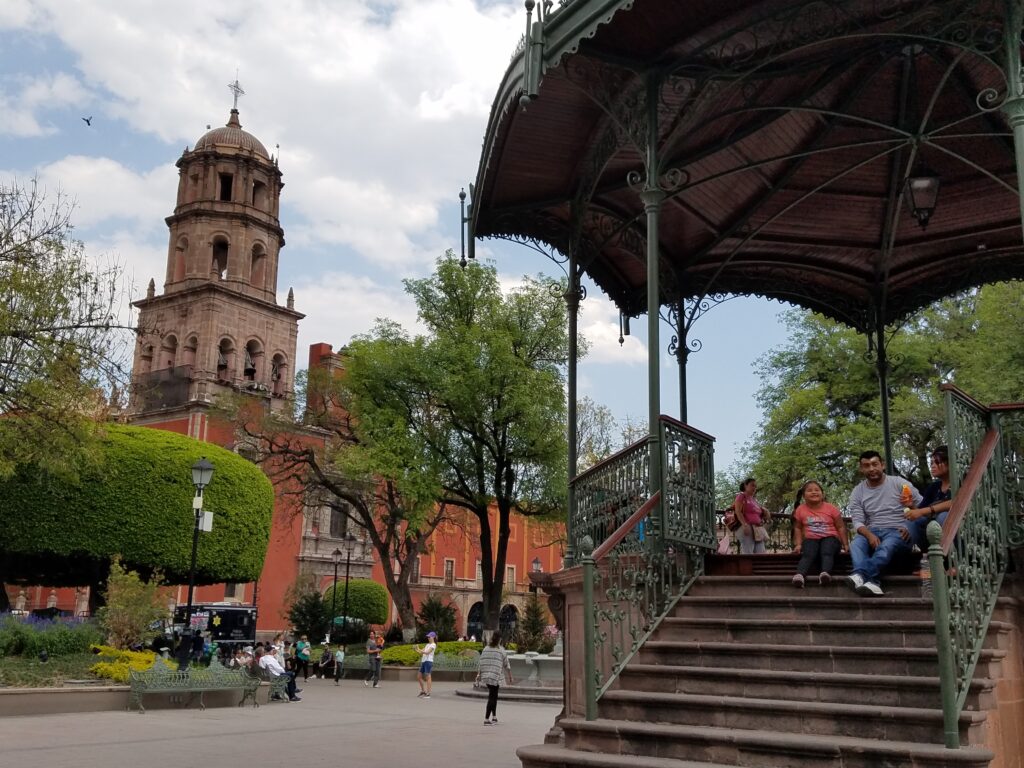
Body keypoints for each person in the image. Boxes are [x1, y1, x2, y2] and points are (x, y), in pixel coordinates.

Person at [847, 450, 922, 597]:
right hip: (872, 530)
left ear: (882, 465)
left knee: (887, 545)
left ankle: (860, 575)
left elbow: (923, 510)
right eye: (866, 466)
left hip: (898, 530)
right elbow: (857, 520)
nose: (871, 469)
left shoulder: (899, 483)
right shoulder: (858, 491)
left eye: (875, 464)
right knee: (856, 544)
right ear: (861, 469)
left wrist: (910, 519)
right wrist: (869, 535)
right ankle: (873, 582)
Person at [791, 480, 849, 587]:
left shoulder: (831, 508)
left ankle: (825, 574)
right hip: (811, 538)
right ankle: (799, 575)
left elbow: (840, 527)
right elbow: (798, 528)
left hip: (830, 537)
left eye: (817, 490)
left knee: (826, 550)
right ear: (804, 496)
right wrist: (798, 544)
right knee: (808, 553)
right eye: (810, 491)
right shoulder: (800, 509)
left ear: (822, 494)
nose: (814, 492)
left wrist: (845, 545)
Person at [904, 445, 954, 550]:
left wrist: (925, 511)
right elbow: (921, 513)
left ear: (949, 463)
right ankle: (916, 554)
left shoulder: (959, 484)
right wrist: (912, 506)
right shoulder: (933, 487)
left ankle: (945, 557)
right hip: (929, 528)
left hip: (954, 529)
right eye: (931, 463)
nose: (932, 466)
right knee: (910, 521)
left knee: (942, 516)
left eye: (937, 462)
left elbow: (955, 502)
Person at [476, 631, 512, 725]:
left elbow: (481, 662)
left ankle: (494, 717)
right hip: (495, 676)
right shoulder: (501, 649)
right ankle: (486, 719)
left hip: (486, 676)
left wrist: (479, 674)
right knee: (492, 697)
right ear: (500, 639)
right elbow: (506, 664)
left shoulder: (486, 648)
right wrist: (510, 676)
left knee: (493, 696)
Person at [733, 478, 770, 554]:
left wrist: (765, 510)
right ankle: (747, 566)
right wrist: (744, 524)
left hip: (757, 529)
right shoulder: (741, 496)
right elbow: (738, 511)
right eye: (752, 485)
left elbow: (760, 515)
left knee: (761, 552)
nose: (754, 488)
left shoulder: (754, 500)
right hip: (747, 527)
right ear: (745, 486)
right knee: (748, 552)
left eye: (755, 486)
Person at [414, 631, 438, 698]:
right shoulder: (427, 645)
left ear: (433, 637)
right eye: (428, 637)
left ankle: (428, 693)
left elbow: (427, 652)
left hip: (428, 661)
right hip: (424, 661)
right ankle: (423, 691)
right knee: (419, 676)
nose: (428, 638)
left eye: (429, 637)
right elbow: (422, 652)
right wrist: (416, 649)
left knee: (428, 677)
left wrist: (419, 649)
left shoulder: (433, 645)